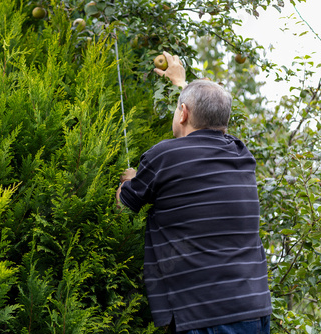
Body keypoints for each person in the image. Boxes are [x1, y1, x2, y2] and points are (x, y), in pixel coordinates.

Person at [116, 51, 272, 333]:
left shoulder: (163, 156)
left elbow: (124, 205)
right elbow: (205, 123)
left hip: (206, 316)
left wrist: (129, 181)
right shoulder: (241, 154)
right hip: (255, 309)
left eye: (180, 108)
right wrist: (182, 85)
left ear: (183, 112)